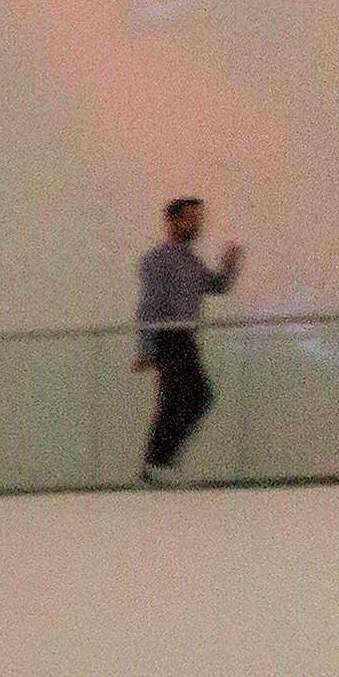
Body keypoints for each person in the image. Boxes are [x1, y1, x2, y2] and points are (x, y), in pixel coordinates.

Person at [134, 196, 241, 482]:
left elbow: (217, 286)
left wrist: (229, 266)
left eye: (199, 219)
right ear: (173, 221)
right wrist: (146, 347)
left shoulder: (191, 261)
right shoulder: (157, 259)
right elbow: (149, 305)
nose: (197, 225)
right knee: (188, 397)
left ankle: (159, 463)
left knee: (185, 398)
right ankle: (157, 463)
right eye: (191, 218)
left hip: (185, 337)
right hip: (169, 335)